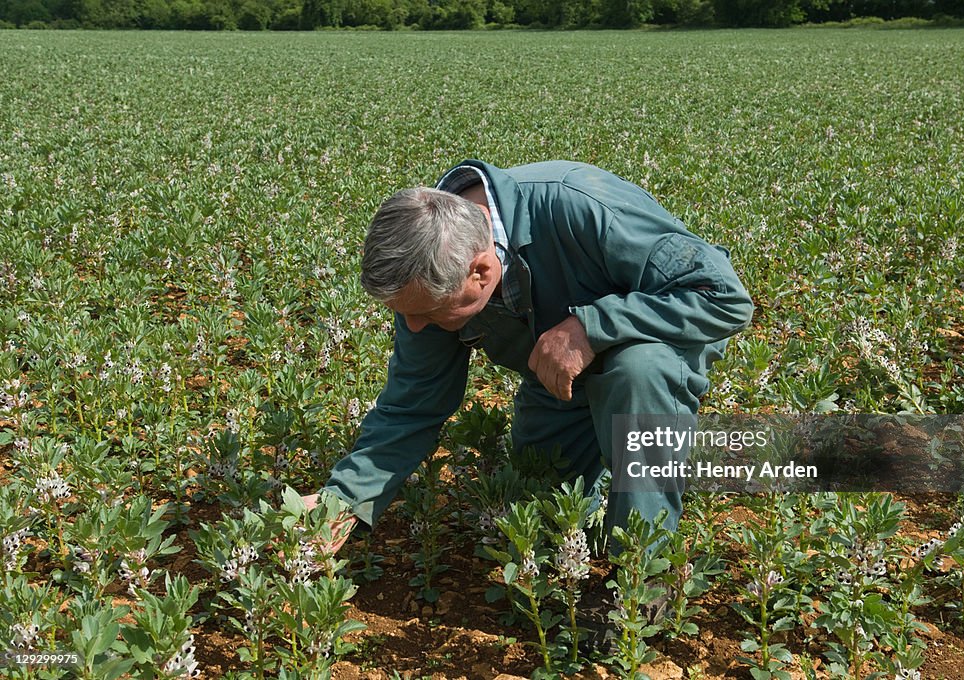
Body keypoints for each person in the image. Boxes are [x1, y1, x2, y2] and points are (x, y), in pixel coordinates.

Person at [302, 159, 754, 557]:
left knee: (638, 371)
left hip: (660, 336)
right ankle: (615, 451)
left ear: (480, 272)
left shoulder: (578, 205)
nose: (414, 328)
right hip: (558, 375)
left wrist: (592, 327)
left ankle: (639, 573)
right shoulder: (427, 278)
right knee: (540, 513)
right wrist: (340, 504)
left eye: (425, 314)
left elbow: (724, 297)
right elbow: (413, 406)